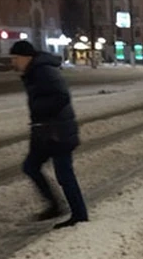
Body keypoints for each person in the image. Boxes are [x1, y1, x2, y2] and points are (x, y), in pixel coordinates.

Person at [10, 40, 89, 229]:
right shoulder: (34, 71)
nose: (13, 63)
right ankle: (55, 206)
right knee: (31, 166)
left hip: (57, 132)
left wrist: (40, 110)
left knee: (64, 174)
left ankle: (79, 215)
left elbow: (62, 96)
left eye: (15, 58)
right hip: (45, 131)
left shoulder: (43, 71)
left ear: (26, 57)